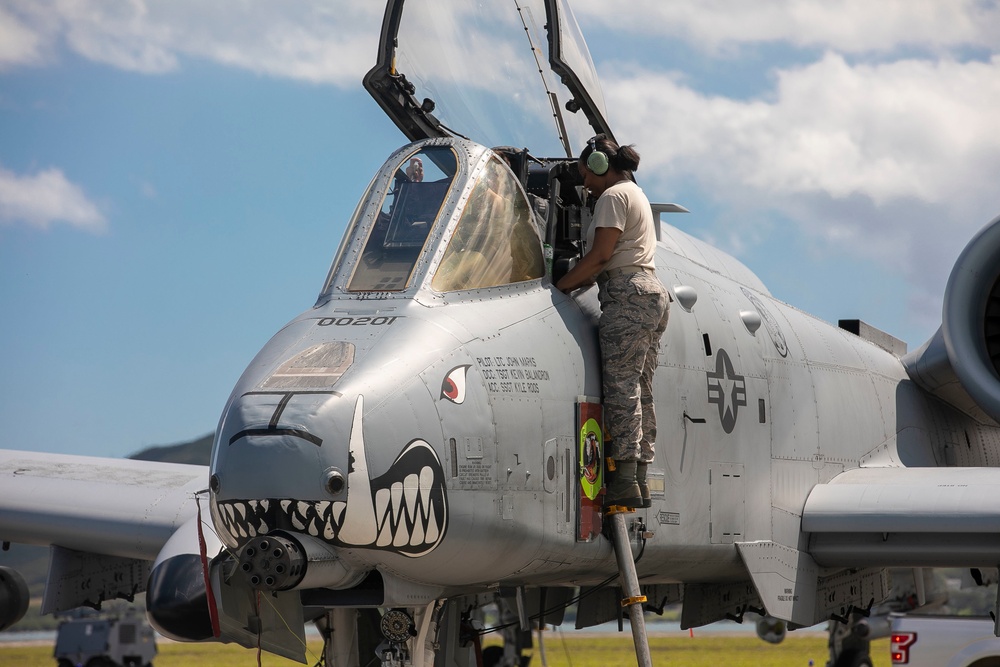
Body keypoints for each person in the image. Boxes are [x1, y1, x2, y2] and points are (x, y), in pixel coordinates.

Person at [555, 134, 670, 508]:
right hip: (651, 292)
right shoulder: (635, 194)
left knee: (621, 387)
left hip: (627, 294)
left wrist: (561, 287)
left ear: (601, 166)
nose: (583, 182)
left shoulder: (613, 197)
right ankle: (637, 477)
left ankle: (621, 480)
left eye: (585, 173)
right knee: (641, 388)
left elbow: (601, 257)